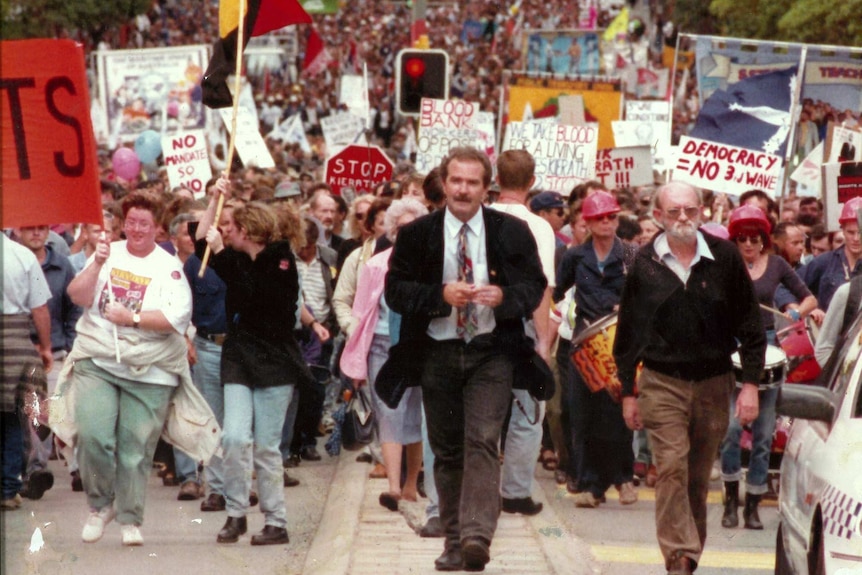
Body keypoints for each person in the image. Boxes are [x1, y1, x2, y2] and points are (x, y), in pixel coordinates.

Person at [382, 147, 546, 572]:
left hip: (491, 352)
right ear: (444, 181)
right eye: (456, 180)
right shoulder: (418, 234)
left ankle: (476, 536)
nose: (463, 189)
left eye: (473, 182)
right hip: (437, 350)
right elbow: (395, 291)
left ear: (485, 187)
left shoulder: (510, 231)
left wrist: (505, 297)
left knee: (482, 440)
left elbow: (535, 285)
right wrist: (440, 296)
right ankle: (454, 540)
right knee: (448, 449)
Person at [614, 181, 766, 575]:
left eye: (690, 210)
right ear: (658, 216)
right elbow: (628, 333)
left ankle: (688, 557)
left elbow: (751, 326)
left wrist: (750, 384)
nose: (683, 217)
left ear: (702, 212)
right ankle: (679, 556)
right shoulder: (644, 263)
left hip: (715, 383)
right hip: (662, 382)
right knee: (670, 468)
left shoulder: (726, 258)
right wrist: (628, 392)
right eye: (674, 211)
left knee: (697, 478)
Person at [64, 192, 195, 546]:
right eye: (131, 222)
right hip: (100, 359)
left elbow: (175, 317)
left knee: (134, 447)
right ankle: (100, 506)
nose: (137, 229)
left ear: (157, 229)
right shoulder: (108, 253)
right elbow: (77, 296)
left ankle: (130, 518)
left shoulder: (168, 266)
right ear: (123, 224)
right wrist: (95, 264)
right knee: (92, 436)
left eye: (145, 224)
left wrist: (132, 318)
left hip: (149, 368)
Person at [197, 180, 315, 546]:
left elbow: (258, 300)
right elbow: (202, 238)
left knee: (266, 445)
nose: (226, 234)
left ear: (246, 232)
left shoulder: (281, 262)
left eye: (233, 230)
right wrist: (215, 196)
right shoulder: (235, 260)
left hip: (274, 359)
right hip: (239, 356)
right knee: (233, 436)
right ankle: (236, 512)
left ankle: (275, 519)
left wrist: (225, 257)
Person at [720, 205, 816, 531]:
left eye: (755, 238)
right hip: (731, 347)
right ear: (735, 240)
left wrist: (796, 312)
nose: (748, 244)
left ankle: (753, 505)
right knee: (731, 430)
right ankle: (731, 498)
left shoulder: (776, 265)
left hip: (767, 346)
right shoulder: (726, 264)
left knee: (763, 434)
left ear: (764, 240)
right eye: (742, 238)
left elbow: (809, 299)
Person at [339, 198, 429, 512]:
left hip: (417, 347)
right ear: (391, 231)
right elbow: (362, 313)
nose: (407, 233)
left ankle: (409, 486)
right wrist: (357, 359)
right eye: (401, 227)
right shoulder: (376, 265)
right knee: (389, 414)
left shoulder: (430, 263)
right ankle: (392, 486)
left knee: (415, 416)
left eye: (413, 227)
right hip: (380, 345)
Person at [553, 190, 639, 508]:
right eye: (599, 217)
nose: (606, 222)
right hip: (584, 345)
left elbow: (644, 296)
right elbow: (560, 292)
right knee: (583, 413)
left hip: (619, 346)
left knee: (619, 412)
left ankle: (623, 478)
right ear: (587, 222)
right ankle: (590, 484)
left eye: (611, 217)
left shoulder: (631, 255)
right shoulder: (575, 256)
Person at [491, 149, 557, 517]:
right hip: (523, 331)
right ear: (532, 182)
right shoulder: (540, 227)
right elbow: (543, 289)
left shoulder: (479, 217)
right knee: (528, 414)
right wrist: (543, 343)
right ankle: (514, 491)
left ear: (496, 179)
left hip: (481, 326)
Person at [13, 224, 82, 500]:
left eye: (42, 228)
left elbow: (73, 305)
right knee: (32, 415)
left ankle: (78, 467)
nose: (36, 233)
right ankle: (36, 469)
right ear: (18, 231)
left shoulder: (62, 265)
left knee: (61, 412)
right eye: (29, 228)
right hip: (22, 347)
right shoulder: (14, 260)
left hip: (56, 349)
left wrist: (68, 338)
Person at [1, 234, 53, 511]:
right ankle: (8, 488)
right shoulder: (23, 256)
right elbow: (40, 307)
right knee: (11, 415)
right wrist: (45, 346)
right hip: (16, 339)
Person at [798, 197, 862, 313]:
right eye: (850, 232)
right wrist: (806, 309)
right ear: (842, 230)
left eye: (861, 232)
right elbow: (786, 288)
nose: (856, 238)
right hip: (829, 328)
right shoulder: (825, 261)